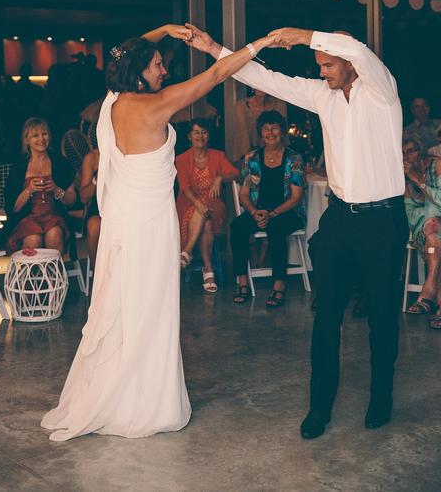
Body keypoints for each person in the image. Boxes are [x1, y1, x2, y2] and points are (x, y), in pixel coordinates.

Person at [41, 23, 276, 441]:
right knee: (151, 308)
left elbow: (125, 49)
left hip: (124, 223)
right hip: (149, 224)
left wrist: (165, 32)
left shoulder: (113, 102)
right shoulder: (156, 106)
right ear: (139, 72)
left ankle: (123, 391)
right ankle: (145, 403)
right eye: (157, 66)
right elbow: (217, 74)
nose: (163, 71)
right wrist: (261, 43)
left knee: (125, 306)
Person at [188, 23, 408, 438]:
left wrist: (302, 34)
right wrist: (215, 49)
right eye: (319, 65)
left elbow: (357, 48)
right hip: (341, 218)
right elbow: (262, 77)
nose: (322, 71)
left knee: (382, 317)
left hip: (383, 220)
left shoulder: (382, 90)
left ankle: (382, 398)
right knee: (326, 316)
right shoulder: (321, 96)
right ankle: (319, 408)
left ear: (347, 62)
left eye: (327, 64)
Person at [231, 110, 305, 308]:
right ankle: (242, 281)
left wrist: (272, 214)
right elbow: (244, 194)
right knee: (237, 226)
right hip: (259, 211)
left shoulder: (294, 158)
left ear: (282, 132)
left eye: (275, 128)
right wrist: (254, 212)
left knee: (275, 228)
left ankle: (279, 284)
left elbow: (296, 198)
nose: (270, 133)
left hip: (287, 212)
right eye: (265, 129)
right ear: (260, 133)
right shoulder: (251, 158)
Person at [176, 118, 239, 293]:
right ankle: (208, 268)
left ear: (208, 135)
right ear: (189, 136)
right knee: (207, 222)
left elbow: (235, 173)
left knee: (207, 212)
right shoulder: (181, 159)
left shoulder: (218, 156)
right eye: (196, 132)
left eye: (204, 132)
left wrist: (219, 178)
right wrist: (197, 204)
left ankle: (186, 252)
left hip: (214, 204)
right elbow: (184, 187)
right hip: (188, 203)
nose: (200, 136)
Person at [4, 117, 76, 254]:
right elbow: (13, 207)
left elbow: (71, 202)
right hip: (27, 219)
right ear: (26, 140)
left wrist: (56, 189)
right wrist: (29, 190)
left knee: (54, 234)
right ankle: (32, 275)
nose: (41, 139)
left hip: (54, 217)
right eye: (35, 136)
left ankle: (53, 275)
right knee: (33, 239)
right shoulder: (19, 168)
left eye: (44, 134)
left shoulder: (60, 163)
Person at [403, 138, 441, 329]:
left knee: (434, 216)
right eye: (403, 153)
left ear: (422, 150)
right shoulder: (403, 176)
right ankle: (439, 305)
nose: (407, 157)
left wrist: (418, 181)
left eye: (411, 151)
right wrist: (433, 218)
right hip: (432, 230)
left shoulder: (438, 164)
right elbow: (410, 213)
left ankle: (428, 292)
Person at [233, 89, 288, 162]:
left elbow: (282, 133)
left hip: (275, 152)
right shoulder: (241, 106)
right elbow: (242, 137)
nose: (260, 87)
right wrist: (248, 160)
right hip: (250, 155)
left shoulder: (280, 104)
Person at [79, 140, 101, 274]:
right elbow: (83, 197)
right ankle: (97, 274)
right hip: (100, 207)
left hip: (124, 205)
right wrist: (96, 180)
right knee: (94, 225)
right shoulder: (92, 157)